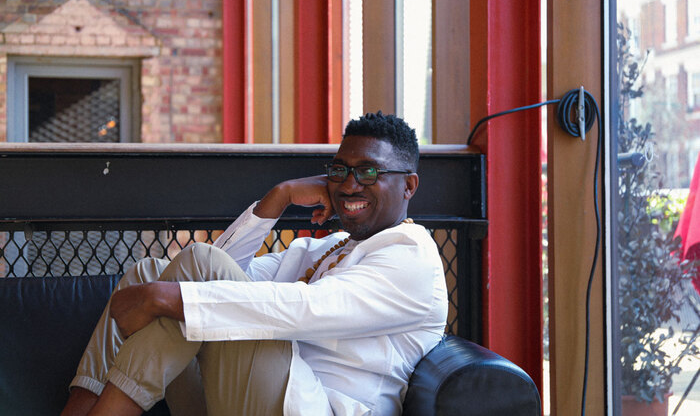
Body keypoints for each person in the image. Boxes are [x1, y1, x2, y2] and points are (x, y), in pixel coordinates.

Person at [61, 112, 448, 416]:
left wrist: (166, 299)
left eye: (368, 171)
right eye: (339, 170)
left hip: (316, 407)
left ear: (408, 185)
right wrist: (277, 198)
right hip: (246, 397)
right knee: (147, 274)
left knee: (182, 281)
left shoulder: (410, 254)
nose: (349, 185)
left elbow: (306, 308)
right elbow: (222, 269)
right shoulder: (332, 248)